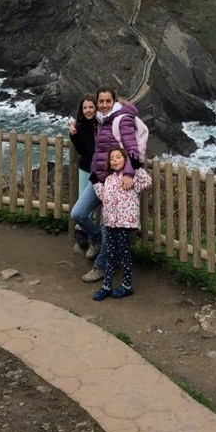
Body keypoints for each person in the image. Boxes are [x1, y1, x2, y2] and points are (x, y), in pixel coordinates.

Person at [71, 85, 142, 283]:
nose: (103, 105)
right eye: (100, 101)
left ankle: (100, 267)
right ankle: (98, 240)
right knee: (78, 213)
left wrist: (128, 174)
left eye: (107, 101)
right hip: (99, 179)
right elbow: (96, 148)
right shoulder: (102, 120)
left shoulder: (122, 119)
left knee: (107, 224)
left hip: (116, 182)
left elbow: (132, 149)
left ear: (114, 101)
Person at [90, 146, 152, 300]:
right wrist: (96, 183)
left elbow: (147, 183)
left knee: (124, 255)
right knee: (110, 255)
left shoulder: (131, 178)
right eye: (112, 158)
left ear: (125, 159)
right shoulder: (109, 179)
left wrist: (136, 168)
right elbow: (104, 197)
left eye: (118, 157)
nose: (115, 160)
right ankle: (107, 285)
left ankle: (126, 285)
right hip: (110, 222)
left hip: (125, 223)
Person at [68, 94, 97, 252]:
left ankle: (97, 234)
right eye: (85, 107)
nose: (88, 110)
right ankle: (81, 230)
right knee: (83, 201)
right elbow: (81, 150)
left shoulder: (101, 123)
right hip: (86, 167)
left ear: (96, 108)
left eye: (91, 107)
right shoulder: (79, 125)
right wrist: (73, 135)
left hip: (101, 169)